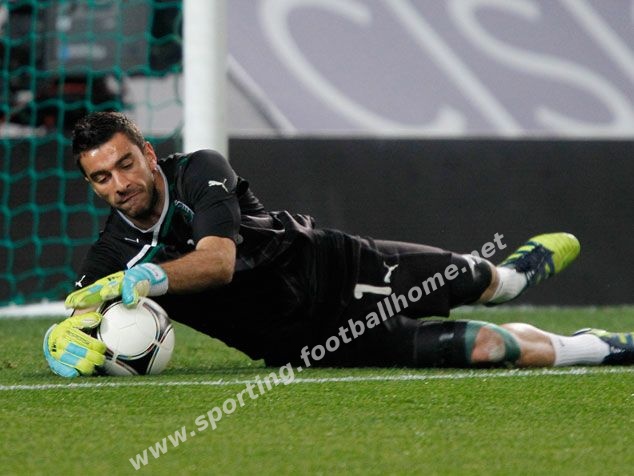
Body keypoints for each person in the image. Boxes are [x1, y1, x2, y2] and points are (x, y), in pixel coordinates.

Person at [43, 112, 633, 378]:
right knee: (491, 347)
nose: (119, 184)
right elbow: (78, 311)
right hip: (311, 342)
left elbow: (218, 262)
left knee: (487, 283)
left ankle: (517, 275)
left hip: (340, 266)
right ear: (92, 185)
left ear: (148, 154)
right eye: (102, 177)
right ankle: (599, 347)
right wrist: (59, 339)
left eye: (126, 164)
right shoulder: (113, 253)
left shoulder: (200, 171)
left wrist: (150, 278)